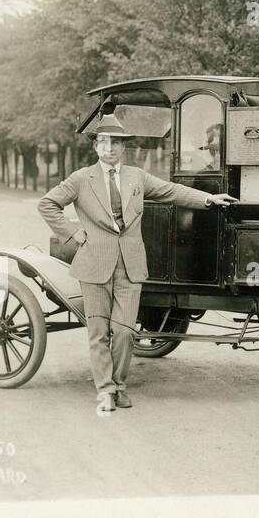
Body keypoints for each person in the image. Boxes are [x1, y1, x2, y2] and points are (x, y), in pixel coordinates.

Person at [38, 113, 237, 413]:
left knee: (125, 332)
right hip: (94, 266)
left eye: (115, 143)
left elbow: (172, 191)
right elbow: (47, 204)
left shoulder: (136, 177)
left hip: (130, 266)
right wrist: (72, 232)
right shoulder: (81, 179)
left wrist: (208, 199)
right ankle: (105, 390)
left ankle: (118, 384)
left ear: (123, 147)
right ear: (96, 146)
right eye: (104, 142)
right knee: (98, 332)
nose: (110, 149)